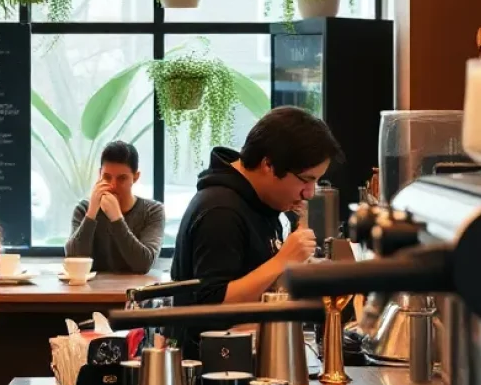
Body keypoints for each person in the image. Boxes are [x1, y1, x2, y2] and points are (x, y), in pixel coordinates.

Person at [170, 107, 342, 356]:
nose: (310, 193)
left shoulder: (260, 203)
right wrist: (283, 260)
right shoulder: (220, 210)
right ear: (268, 164)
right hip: (215, 371)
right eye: (306, 179)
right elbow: (211, 305)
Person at [65, 141, 165, 274]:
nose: (112, 185)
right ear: (99, 174)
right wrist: (92, 213)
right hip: (92, 292)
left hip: (134, 291)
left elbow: (143, 264)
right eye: (106, 177)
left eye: (121, 178)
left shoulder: (153, 211)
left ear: (135, 177)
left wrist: (116, 218)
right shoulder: (84, 209)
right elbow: (72, 259)